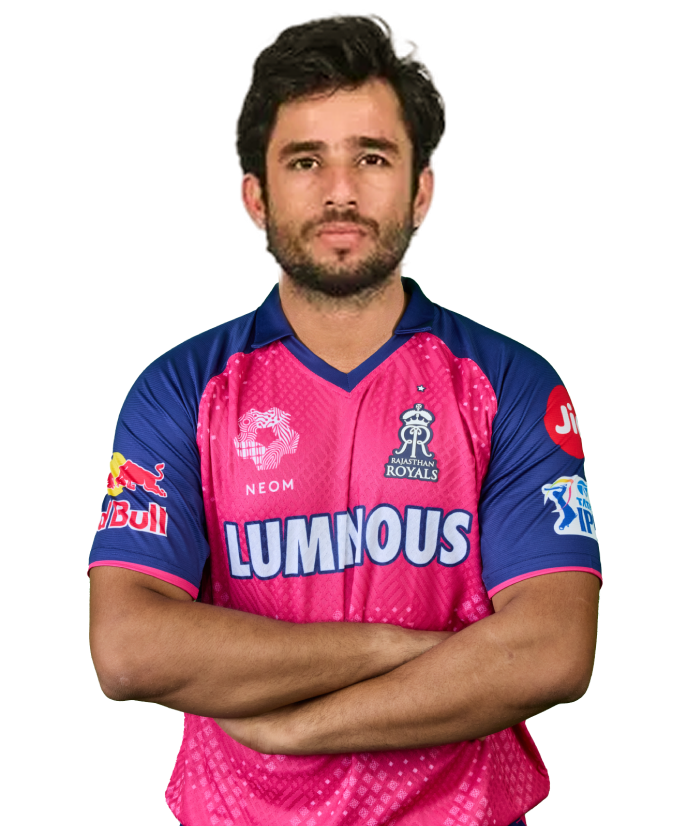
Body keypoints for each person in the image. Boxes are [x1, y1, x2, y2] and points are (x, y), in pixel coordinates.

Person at [88, 12, 602, 826]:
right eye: (305, 161)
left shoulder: (508, 385)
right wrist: (396, 647)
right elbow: (128, 649)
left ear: (422, 189)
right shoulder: (180, 392)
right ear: (253, 196)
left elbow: (552, 652)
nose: (340, 192)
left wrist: (299, 728)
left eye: (372, 157)